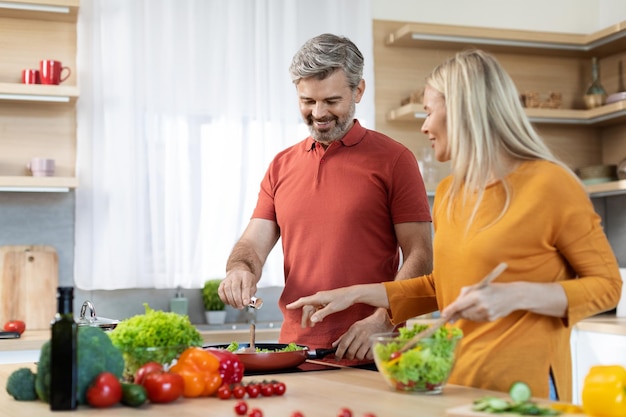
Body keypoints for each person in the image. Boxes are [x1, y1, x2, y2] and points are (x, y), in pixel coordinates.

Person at [287, 49, 622, 401]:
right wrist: (355, 293)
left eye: (430, 111)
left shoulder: (550, 184)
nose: (424, 125)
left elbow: (607, 287)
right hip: (457, 386)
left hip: (526, 391)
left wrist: (516, 295)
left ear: (464, 110)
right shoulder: (449, 192)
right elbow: (440, 287)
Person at [218, 33, 433, 364]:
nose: (318, 113)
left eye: (331, 101)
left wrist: (383, 321)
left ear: (358, 91)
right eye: (307, 101)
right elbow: (252, 245)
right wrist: (240, 270)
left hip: (371, 350)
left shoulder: (394, 160)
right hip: (295, 352)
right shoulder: (281, 165)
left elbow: (420, 257)